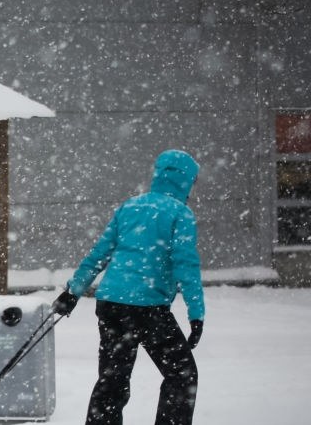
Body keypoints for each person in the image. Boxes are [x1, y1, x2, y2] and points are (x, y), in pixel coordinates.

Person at [52, 149, 204, 425]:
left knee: (113, 379)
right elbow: (186, 266)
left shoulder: (130, 206)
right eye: (193, 182)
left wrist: (73, 291)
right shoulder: (180, 214)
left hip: (111, 304)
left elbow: (99, 253)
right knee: (183, 375)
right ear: (185, 181)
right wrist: (196, 314)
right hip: (148, 308)